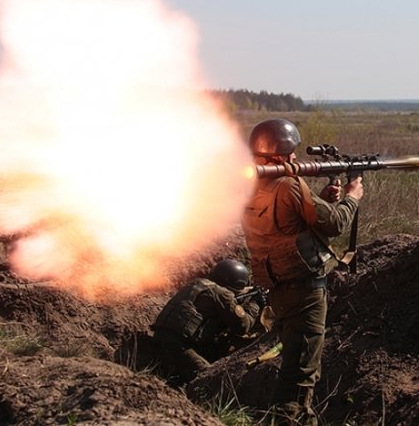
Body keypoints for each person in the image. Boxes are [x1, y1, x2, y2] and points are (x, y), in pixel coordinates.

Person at [241, 118, 363, 425]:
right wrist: (352, 196)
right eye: (292, 153)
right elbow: (334, 224)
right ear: (281, 155)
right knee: (301, 375)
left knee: (294, 365)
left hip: (280, 290)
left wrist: (321, 197)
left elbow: (289, 223)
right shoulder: (289, 184)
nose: (296, 159)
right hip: (305, 291)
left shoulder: (251, 187)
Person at [151, 258, 261, 386]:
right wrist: (255, 303)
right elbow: (243, 326)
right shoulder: (223, 294)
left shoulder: (196, 283)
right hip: (178, 347)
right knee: (209, 382)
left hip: (159, 338)